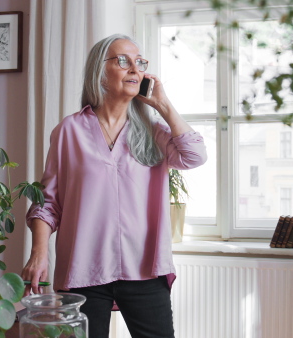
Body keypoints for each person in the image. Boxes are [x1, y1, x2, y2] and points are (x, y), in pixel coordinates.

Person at [21, 34, 207, 338]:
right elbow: (48, 201)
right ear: (100, 72)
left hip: (145, 267)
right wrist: (39, 252)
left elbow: (195, 156)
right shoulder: (69, 131)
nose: (135, 68)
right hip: (84, 269)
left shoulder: (154, 131)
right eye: (123, 61)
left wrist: (162, 103)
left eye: (140, 63)